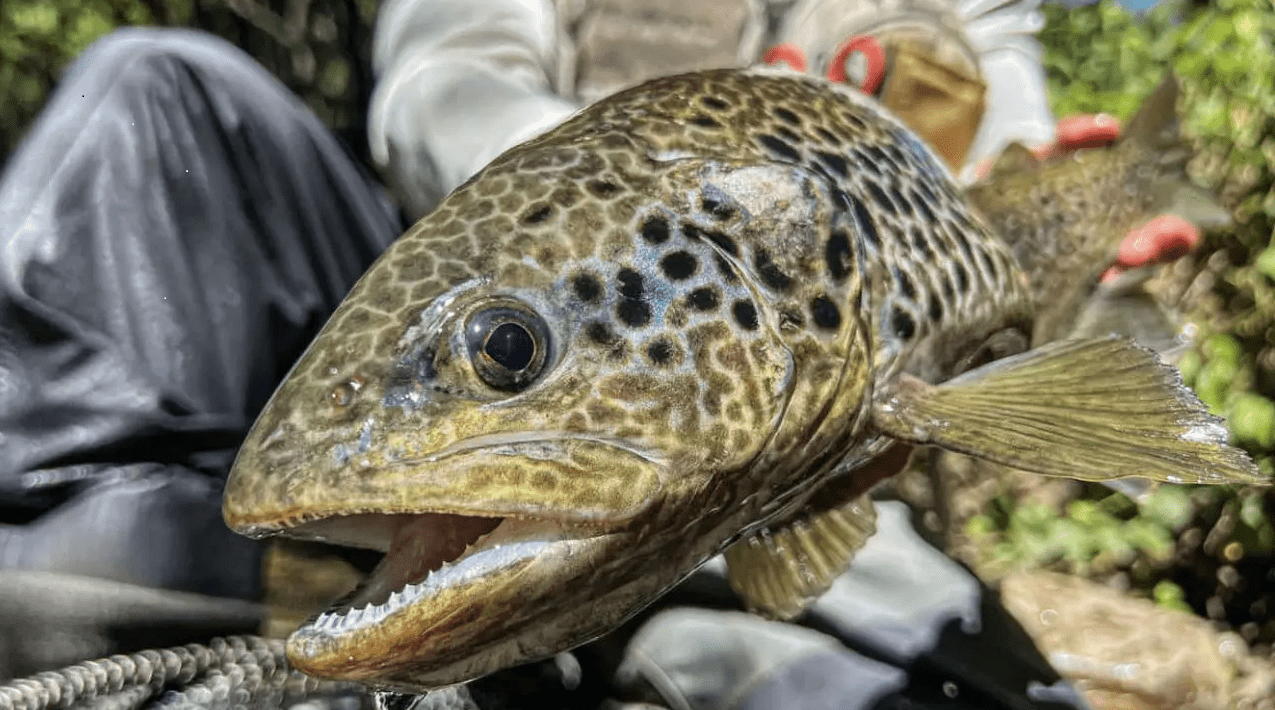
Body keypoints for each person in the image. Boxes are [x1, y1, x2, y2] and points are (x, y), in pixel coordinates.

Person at [0, 0, 1196, 706]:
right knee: (152, 90)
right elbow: (438, 78)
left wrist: (1099, 233)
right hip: (475, 254)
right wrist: (647, 175)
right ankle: (127, 661)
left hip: (812, 373)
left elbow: (1007, 138)